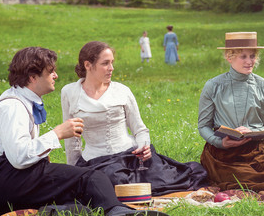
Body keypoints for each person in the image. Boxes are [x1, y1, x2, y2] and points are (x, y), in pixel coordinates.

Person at [0, 46, 170, 216]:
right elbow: (19, 157)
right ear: (33, 77)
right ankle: (117, 212)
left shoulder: (20, 100)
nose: (56, 76)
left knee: (80, 194)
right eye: (50, 71)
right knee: (94, 178)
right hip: (5, 180)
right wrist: (58, 133)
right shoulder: (13, 106)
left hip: (3, 187)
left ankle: (60, 211)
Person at [61, 41, 207, 194]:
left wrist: (144, 147)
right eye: (105, 63)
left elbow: (140, 129)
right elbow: (71, 137)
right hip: (96, 160)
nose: (111, 68)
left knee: (170, 179)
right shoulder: (70, 92)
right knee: (110, 182)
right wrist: (73, 173)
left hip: (129, 156)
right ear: (88, 65)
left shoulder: (122, 91)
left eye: (112, 63)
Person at [198, 31, 264, 192]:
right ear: (229, 57)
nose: (250, 61)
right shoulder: (213, 86)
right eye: (243, 56)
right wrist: (220, 142)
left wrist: (253, 131)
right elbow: (203, 126)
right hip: (222, 156)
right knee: (246, 183)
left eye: (252, 56)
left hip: (256, 151)